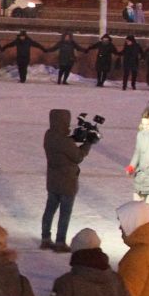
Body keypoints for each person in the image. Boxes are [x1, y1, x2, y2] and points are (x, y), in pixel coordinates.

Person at [41, 108, 90, 251]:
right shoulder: (64, 141)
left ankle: (45, 238)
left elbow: (62, 144)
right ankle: (60, 242)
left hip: (53, 180)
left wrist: (73, 138)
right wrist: (88, 144)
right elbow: (78, 157)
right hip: (67, 182)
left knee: (49, 210)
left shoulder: (49, 135)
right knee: (64, 213)